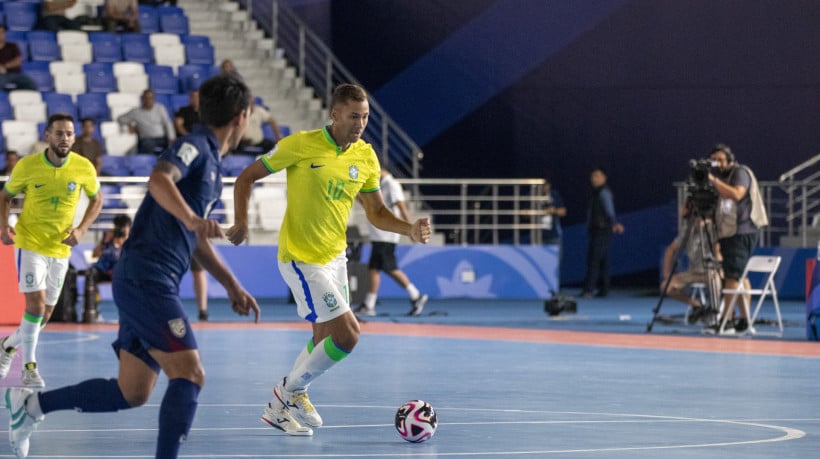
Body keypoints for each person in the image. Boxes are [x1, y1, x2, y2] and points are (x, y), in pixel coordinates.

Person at [4, 74, 261, 459]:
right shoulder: (196, 147)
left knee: (133, 392)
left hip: (147, 280)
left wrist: (232, 285)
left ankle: (31, 408)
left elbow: (196, 239)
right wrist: (192, 218)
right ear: (242, 117)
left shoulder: (211, 166)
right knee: (189, 374)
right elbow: (159, 179)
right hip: (147, 278)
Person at [227, 83, 432, 435]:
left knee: (324, 339)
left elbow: (377, 211)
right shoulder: (301, 145)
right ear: (335, 114)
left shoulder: (366, 156)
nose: (360, 123)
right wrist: (242, 221)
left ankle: (286, 402)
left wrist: (408, 228)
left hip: (335, 258)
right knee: (348, 335)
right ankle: (286, 393)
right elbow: (246, 178)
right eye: (354, 116)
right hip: (301, 259)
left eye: (365, 117)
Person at [0, 113, 103, 390]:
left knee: (44, 316)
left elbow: (97, 200)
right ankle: (29, 367)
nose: (65, 138)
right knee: (34, 306)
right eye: (59, 133)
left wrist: (81, 230)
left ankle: (7, 346)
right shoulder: (28, 166)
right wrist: (2, 228)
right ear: (47, 135)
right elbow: (5, 196)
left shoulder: (83, 167)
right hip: (30, 242)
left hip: (60, 248)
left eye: (69, 133)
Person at [704, 144, 765, 334]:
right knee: (739, 275)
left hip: (742, 232)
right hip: (729, 232)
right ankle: (744, 320)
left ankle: (726, 321)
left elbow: (737, 194)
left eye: (721, 160)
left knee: (731, 276)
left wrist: (713, 181)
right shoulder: (721, 178)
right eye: (714, 160)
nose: (718, 164)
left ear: (730, 160)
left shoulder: (740, 172)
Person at [354, 165, 428, 317]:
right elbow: (371, 207)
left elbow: (401, 206)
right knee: (380, 268)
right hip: (378, 233)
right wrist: (356, 195)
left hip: (386, 234)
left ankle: (414, 296)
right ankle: (372, 303)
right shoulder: (378, 184)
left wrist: (411, 229)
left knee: (383, 268)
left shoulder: (391, 184)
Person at [661, 211, 721, 325]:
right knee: (666, 286)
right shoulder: (687, 230)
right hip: (693, 271)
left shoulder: (714, 230)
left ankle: (713, 311)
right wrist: (667, 273)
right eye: (696, 217)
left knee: (716, 284)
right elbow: (670, 250)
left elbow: (719, 253)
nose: (699, 220)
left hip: (711, 271)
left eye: (702, 218)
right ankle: (697, 305)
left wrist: (720, 267)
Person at [581, 167, 624, 298]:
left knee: (594, 259)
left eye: (597, 176)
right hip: (598, 230)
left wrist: (615, 223)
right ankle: (604, 289)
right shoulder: (596, 192)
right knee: (603, 260)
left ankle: (589, 289)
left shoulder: (603, 193)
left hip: (602, 230)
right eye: (592, 176)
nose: (594, 179)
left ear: (604, 178)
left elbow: (609, 210)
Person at [83, 214, 132, 323]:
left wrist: (121, 242)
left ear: (129, 227)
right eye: (118, 226)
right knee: (91, 274)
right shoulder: (108, 236)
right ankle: (91, 312)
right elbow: (94, 255)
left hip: (122, 271)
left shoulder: (132, 239)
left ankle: (129, 315)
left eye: (123, 226)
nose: (120, 229)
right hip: (104, 270)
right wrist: (105, 242)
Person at [117, 89, 175, 155]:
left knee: (174, 147)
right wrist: (130, 124)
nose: (148, 100)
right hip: (146, 139)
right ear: (142, 99)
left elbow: (167, 122)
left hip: (161, 138)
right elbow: (120, 119)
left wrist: (171, 137)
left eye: (151, 98)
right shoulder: (136, 112)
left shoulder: (160, 108)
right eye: (146, 98)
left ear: (154, 99)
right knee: (147, 146)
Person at [0, 25, 38, 92]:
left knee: (31, 85)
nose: (0, 34)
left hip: (16, 74)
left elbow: (18, 60)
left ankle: (15, 95)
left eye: (2, 32)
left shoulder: (12, 46)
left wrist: (4, 67)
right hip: (1, 76)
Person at [539, 177, 566, 248]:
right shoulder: (533, 196)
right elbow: (525, 215)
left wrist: (554, 211)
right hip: (538, 237)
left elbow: (563, 212)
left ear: (549, 185)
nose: (544, 187)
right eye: (542, 185)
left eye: (546, 185)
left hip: (554, 237)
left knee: (555, 259)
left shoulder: (554, 195)